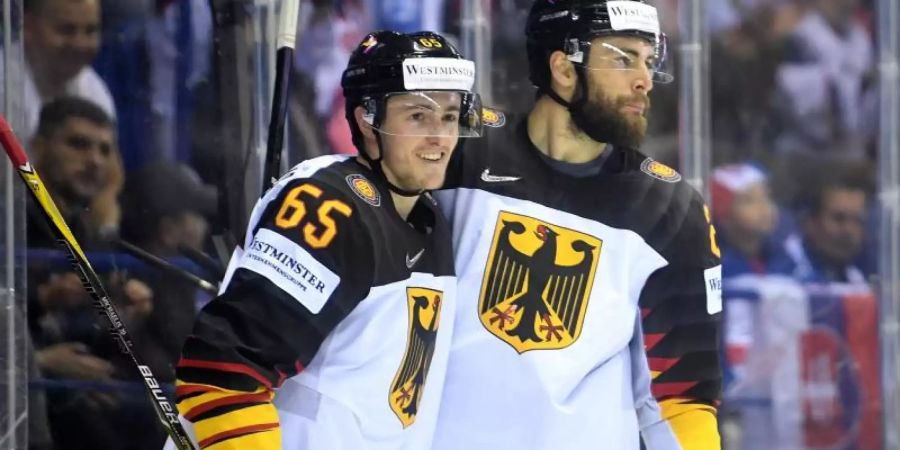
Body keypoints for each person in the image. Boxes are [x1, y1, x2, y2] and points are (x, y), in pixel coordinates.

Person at [168, 30, 483, 449]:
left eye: (449, 116)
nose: (440, 138)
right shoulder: (329, 206)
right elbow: (223, 368)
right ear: (367, 122)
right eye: (417, 116)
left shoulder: (431, 221)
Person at [432, 1, 722, 449]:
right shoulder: (459, 154)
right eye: (623, 59)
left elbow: (681, 399)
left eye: (648, 61)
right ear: (564, 68)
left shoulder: (669, 209)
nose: (644, 79)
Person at [18, 0, 116, 140]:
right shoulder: (5, 89)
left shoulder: (96, 93)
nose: (80, 44)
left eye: (90, 31)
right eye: (67, 30)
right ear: (28, 26)